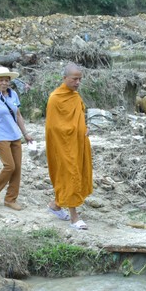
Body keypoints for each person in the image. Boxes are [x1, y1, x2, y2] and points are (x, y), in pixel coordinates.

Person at [45, 63, 92, 230]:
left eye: (80, 79)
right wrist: (74, 130)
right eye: (74, 79)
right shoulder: (55, 98)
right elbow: (52, 127)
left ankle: (56, 205)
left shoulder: (75, 96)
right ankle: (74, 218)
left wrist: (85, 128)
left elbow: (79, 116)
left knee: (75, 173)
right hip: (62, 145)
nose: (78, 82)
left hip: (77, 144)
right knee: (70, 175)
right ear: (64, 78)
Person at [0, 66, 33, 210]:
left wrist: (25, 134)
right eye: (1, 80)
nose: (4, 83)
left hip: (15, 135)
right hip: (1, 137)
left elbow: (18, 115)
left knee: (17, 168)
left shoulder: (14, 95)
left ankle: (10, 199)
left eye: (6, 80)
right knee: (9, 166)